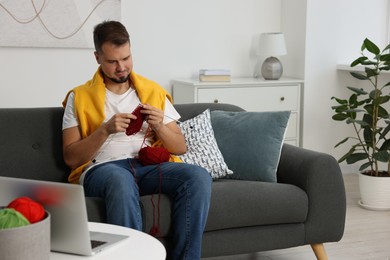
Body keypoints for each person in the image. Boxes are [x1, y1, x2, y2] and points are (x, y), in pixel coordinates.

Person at [62, 20, 212, 260]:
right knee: (120, 179)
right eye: (113, 61)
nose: (122, 67)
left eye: (126, 58)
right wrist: (105, 130)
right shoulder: (78, 97)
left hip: (147, 166)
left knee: (198, 176)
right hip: (103, 169)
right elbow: (71, 158)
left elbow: (179, 147)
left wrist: (160, 126)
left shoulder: (153, 91)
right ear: (97, 57)